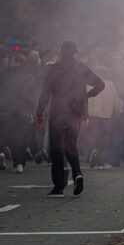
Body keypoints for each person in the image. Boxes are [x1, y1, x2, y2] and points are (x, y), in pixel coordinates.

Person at [35, 41, 105, 197]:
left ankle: (58, 187)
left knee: (57, 149)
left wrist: (39, 112)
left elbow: (45, 92)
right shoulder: (82, 68)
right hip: (75, 112)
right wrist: (86, 95)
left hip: (58, 112)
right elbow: (100, 84)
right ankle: (78, 173)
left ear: (61, 53)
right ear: (75, 53)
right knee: (71, 145)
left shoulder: (55, 69)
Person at [4, 53, 36, 173]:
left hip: (12, 110)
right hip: (25, 111)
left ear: (15, 61)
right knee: (23, 137)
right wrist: (31, 109)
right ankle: (21, 162)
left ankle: (18, 163)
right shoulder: (29, 76)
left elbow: (6, 92)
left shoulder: (9, 75)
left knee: (13, 137)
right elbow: (31, 95)